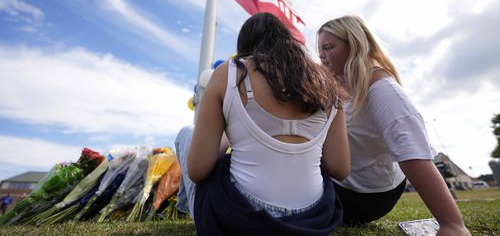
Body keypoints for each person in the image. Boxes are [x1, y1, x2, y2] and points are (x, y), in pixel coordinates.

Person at [175, 12, 350, 235]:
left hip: (240, 219)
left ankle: (183, 209)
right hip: (313, 219)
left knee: (186, 133)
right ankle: (183, 208)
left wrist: (230, 138)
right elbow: (340, 168)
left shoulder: (228, 74)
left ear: (244, 47)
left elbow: (198, 170)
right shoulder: (327, 83)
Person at [317, 15, 471, 235]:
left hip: (367, 195)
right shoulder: (338, 89)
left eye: (328, 47)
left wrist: (451, 224)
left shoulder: (383, 91)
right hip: (344, 186)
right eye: (320, 49)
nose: (321, 56)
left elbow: (413, 152)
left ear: (355, 45)